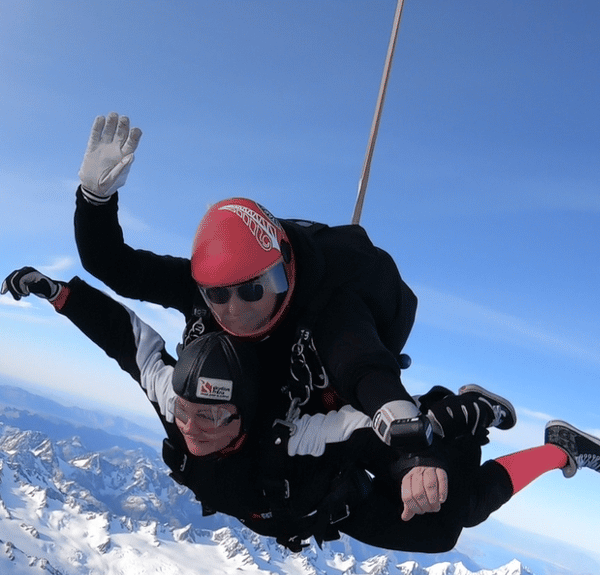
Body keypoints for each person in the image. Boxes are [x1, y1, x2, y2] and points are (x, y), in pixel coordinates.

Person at [2, 267, 600, 553]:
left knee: (450, 516)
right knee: (444, 533)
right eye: (189, 414)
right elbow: (127, 340)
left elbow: (366, 428)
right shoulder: (178, 398)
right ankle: (529, 437)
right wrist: (58, 292)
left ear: (247, 414)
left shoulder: (288, 435)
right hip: (306, 506)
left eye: (215, 419)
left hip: (337, 493)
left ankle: (512, 431)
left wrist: (421, 449)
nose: (195, 430)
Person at [72, 112, 440, 455]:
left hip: (294, 428)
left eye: (252, 290)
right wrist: (95, 201)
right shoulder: (202, 285)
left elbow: (361, 364)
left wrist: (393, 408)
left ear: (286, 271)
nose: (234, 310)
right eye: (217, 294)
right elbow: (114, 266)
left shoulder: (326, 306)